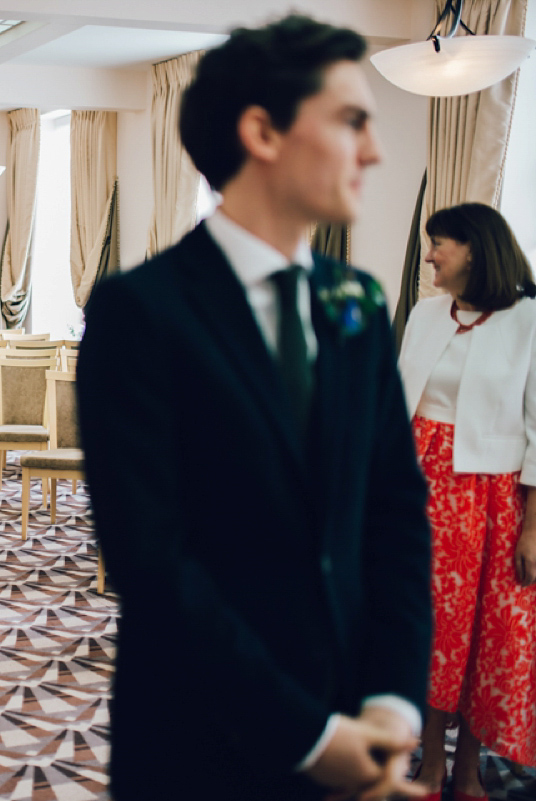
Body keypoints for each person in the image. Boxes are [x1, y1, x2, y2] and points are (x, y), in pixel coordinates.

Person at [77, 15, 433, 801]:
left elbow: (396, 512)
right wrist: (306, 736)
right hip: (201, 734)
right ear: (263, 132)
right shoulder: (141, 310)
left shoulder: (357, 301)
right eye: (351, 120)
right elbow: (152, 559)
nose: (373, 150)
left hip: (356, 720)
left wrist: (391, 701)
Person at [398, 203, 536, 801]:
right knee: (430, 630)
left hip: (492, 498)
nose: (429, 254)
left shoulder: (529, 320)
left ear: (475, 250)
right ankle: (429, 759)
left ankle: (470, 766)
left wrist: (533, 530)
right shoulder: (426, 315)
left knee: (484, 634)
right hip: (419, 488)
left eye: (439, 244)